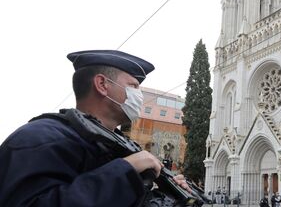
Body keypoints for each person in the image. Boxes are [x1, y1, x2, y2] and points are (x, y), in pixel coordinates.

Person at [0, 50, 192, 206]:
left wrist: (168, 197)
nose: (139, 95)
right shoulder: (39, 138)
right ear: (102, 84)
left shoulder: (120, 148)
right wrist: (126, 170)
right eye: (133, 86)